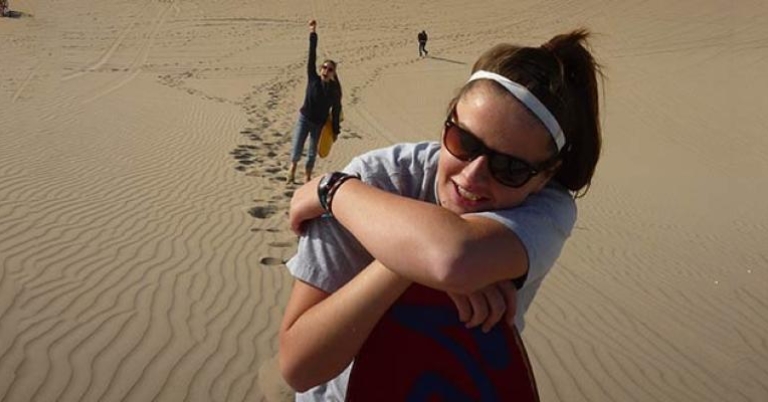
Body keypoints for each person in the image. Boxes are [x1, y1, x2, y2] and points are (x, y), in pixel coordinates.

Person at [279, 28, 603, 400]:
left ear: (544, 176)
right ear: (448, 118)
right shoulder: (376, 178)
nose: (473, 176)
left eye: (510, 168)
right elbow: (298, 367)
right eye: (464, 142)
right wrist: (415, 258)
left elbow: (452, 256)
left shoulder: (547, 206)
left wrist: (333, 192)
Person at [288, 19, 343, 184]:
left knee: (312, 153)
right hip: (304, 119)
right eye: (324, 67)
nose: (326, 70)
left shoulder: (334, 91)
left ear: (334, 74)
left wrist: (335, 131)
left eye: (330, 69)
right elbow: (312, 53)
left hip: (319, 124)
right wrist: (313, 32)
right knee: (297, 148)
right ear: (320, 69)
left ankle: (307, 176)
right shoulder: (313, 77)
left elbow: (336, 111)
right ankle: (292, 168)